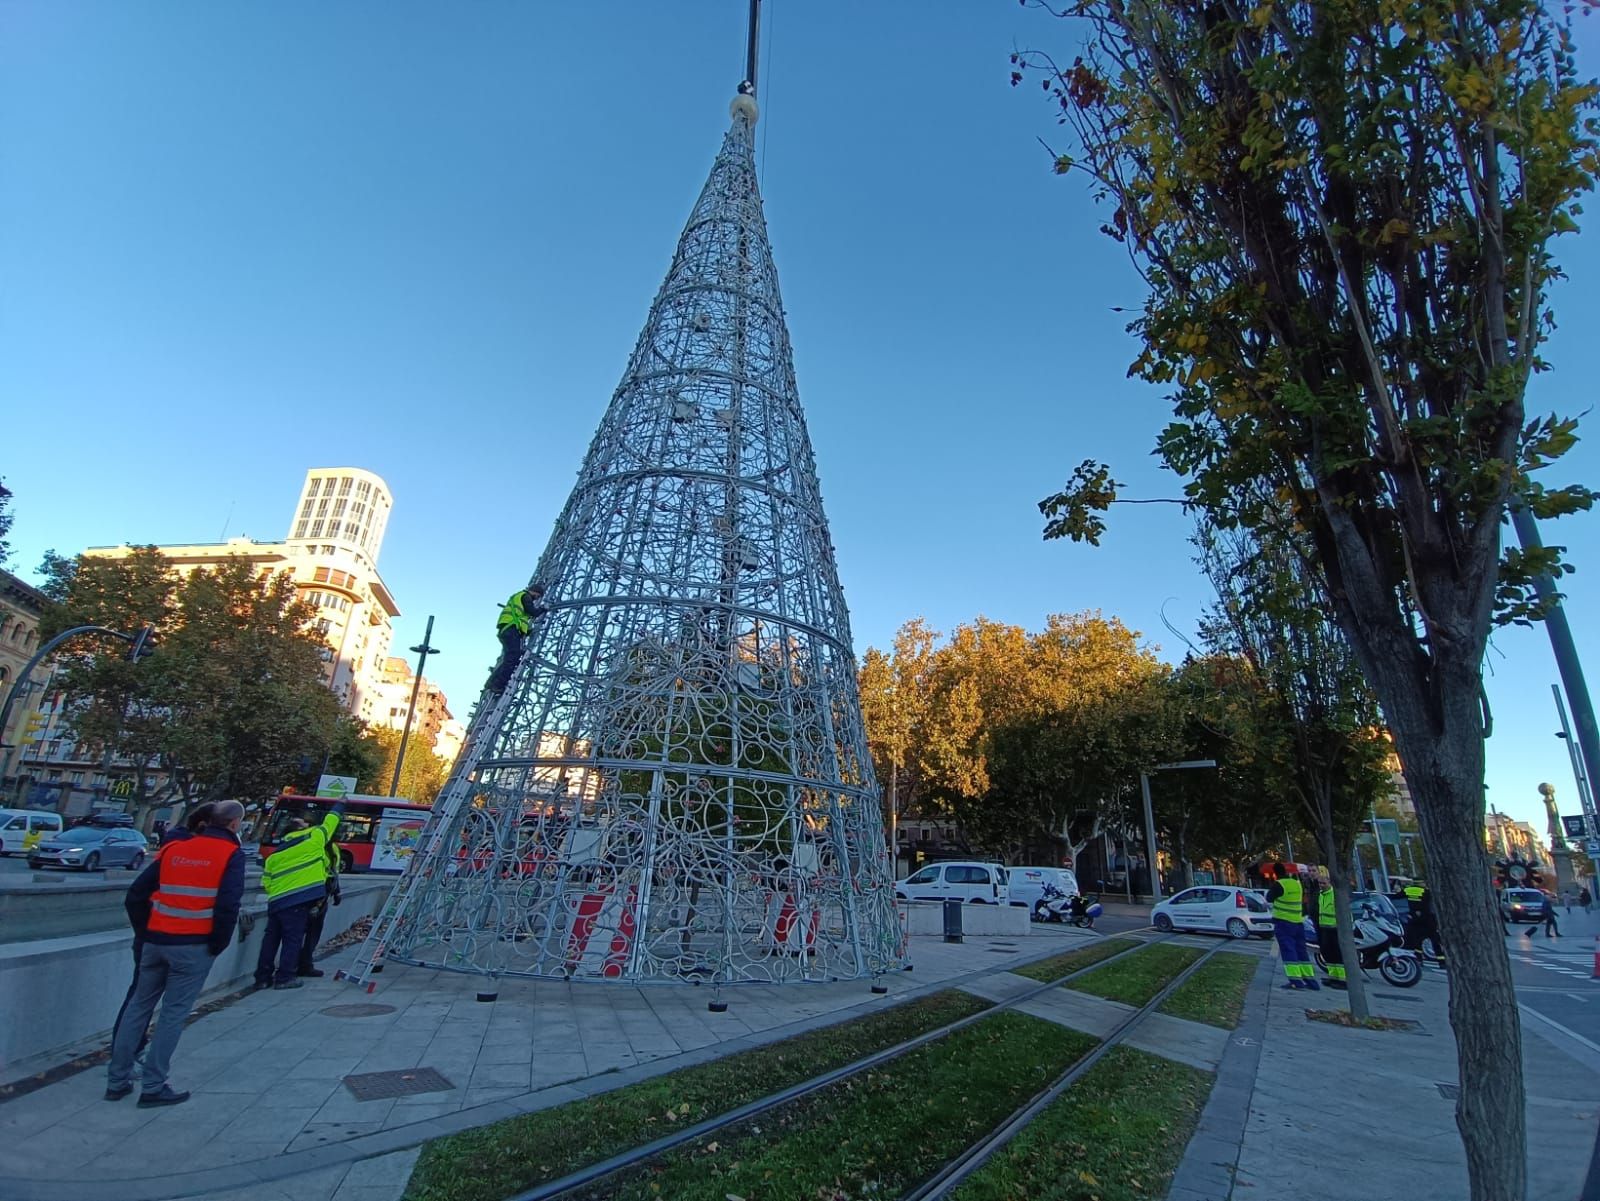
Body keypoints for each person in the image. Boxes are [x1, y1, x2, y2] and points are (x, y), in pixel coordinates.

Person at [105, 800, 245, 1107]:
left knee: (138, 1008)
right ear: (234, 825)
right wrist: (217, 945)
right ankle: (153, 1086)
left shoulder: (175, 848)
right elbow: (227, 906)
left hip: (155, 942)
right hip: (193, 946)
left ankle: (116, 1081)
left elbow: (136, 895)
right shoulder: (231, 854)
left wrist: (146, 931)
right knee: (172, 1014)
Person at [255, 804, 344, 989]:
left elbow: (267, 882)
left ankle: (262, 978)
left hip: (277, 901)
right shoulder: (313, 840)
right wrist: (339, 805)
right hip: (300, 899)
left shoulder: (275, 855)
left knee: (270, 939)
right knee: (293, 939)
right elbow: (330, 822)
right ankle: (285, 977)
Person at [1265, 862, 1318, 991]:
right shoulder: (1296, 883)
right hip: (1298, 922)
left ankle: (1295, 981)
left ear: (1275, 873)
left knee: (1289, 951)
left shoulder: (1278, 884)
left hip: (1284, 923)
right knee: (1301, 951)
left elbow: (1269, 898)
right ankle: (1310, 981)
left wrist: (1272, 883)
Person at [295, 838, 342, 978]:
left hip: (317, 894)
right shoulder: (326, 847)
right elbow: (331, 871)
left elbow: (333, 871)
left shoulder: (325, 846)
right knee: (307, 932)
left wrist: (336, 891)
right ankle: (300, 965)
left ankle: (301, 964)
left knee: (309, 933)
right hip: (315, 895)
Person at [487, 585, 547, 693]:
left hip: (507, 629)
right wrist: (542, 609)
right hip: (510, 629)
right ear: (534, 592)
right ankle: (498, 685)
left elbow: (521, 618)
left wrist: (527, 631)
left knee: (509, 658)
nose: (537, 598)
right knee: (513, 657)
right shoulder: (526, 597)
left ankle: (491, 682)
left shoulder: (519, 596)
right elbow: (532, 611)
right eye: (538, 596)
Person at [1315, 873, 1346, 990]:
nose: (1321, 885)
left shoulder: (1334, 894)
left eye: (1324, 883)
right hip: (1325, 928)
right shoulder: (1321, 895)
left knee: (1337, 954)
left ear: (1330, 882)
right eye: (1320, 883)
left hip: (1335, 928)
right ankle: (1333, 977)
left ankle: (1342, 980)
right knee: (1328, 954)